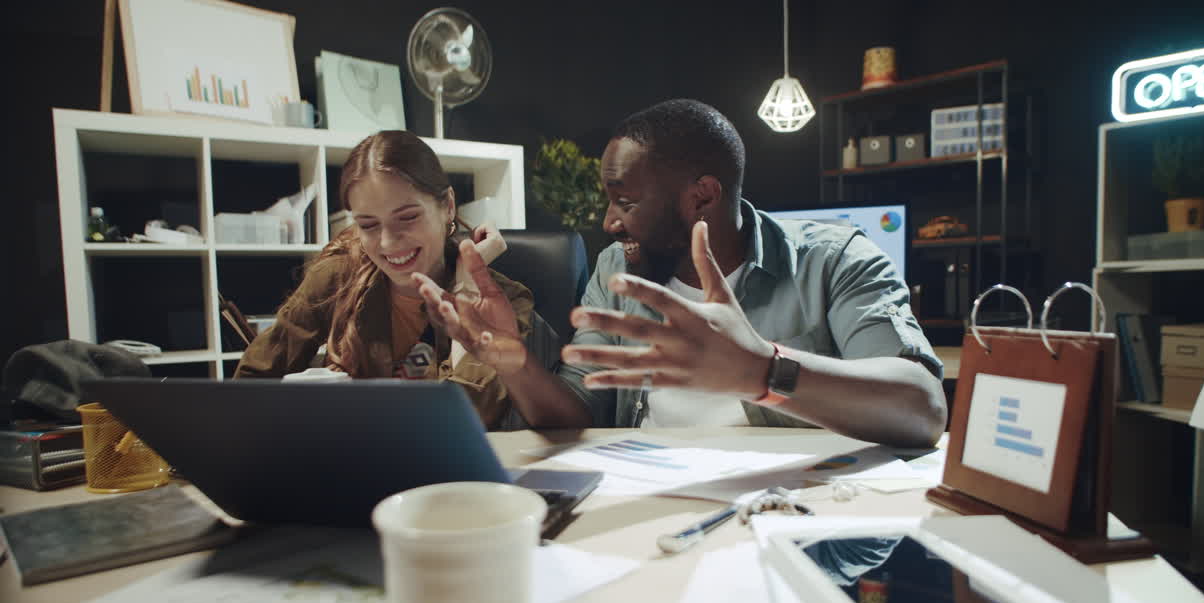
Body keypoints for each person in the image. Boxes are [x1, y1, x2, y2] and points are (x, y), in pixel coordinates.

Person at [416, 99, 946, 447]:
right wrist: (515, 363)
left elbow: (922, 406)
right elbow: (575, 411)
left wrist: (762, 371)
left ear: (702, 197)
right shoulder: (616, 268)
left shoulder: (835, 259)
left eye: (624, 201)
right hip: (651, 505)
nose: (607, 221)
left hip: (786, 512)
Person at [235, 130, 560, 430]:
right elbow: (249, 386)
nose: (389, 243)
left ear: (447, 206)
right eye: (369, 225)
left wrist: (465, 283)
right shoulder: (337, 277)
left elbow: (466, 417)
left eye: (407, 217)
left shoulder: (506, 300)